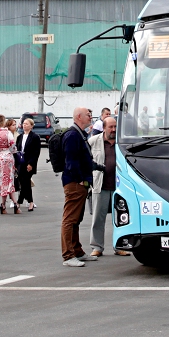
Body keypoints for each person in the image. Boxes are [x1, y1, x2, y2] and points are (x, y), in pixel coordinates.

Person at [60, 107, 104, 267]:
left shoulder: (80, 134)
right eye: (88, 115)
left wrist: (100, 167)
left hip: (80, 182)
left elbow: (84, 159)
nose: (91, 117)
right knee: (70, 219)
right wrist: (80, 180)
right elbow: (71, 161)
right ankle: (68, 255)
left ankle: (77, 251)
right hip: (74, 183)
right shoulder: (72, 135)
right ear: (79, 117)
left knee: (76, 219)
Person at [89, 117, 128, 257]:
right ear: (104, 127)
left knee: (121, 218)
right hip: (100, 185)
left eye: (115, 126)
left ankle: (119, 246)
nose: (113, 129)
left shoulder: (122, 142)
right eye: (110, 127)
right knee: (98, 219)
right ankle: (97, 247)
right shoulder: (93, 141)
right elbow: (85, 161)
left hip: (120, 187)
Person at [0, 115, 18, 214]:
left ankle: (5, 204)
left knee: (2, 181)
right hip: (7, 157)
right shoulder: (7, 132)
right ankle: (13, 203)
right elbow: (13, 146)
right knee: (9, 180)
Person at [15, 116, 41, 212]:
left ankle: (23, 202)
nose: (24, 125)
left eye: (26, 124)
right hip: (20, 163)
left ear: (31, 126)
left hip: (29, 162)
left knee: (25, 181)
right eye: (23, 123)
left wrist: (31, 163)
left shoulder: (35, 137)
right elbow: (17, 150)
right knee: (24, 182)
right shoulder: (20, 137)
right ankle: (26, 201)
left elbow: (36, 152)